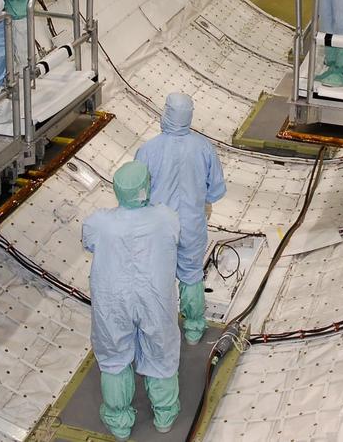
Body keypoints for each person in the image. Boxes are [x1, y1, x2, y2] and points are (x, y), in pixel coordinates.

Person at [82, 162, 182, 440]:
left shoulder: (99, 222)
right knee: (160, 351)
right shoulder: (166, 218)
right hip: (155, 298)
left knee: (114, 356)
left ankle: (120, 421)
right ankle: (165, 414)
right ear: (146, 188)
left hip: (113, 300)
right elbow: (174, 239)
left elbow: (88, 242)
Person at [134, 92, 226, 345]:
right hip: (192, 226)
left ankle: (158, 331)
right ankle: (194, 328)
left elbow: (136, 193)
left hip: (158, 228)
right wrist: (203, 201)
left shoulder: (148, 150)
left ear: (166, 113)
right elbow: (216, 188)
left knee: (157, 278)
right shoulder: (203, 147)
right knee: (191, 275)